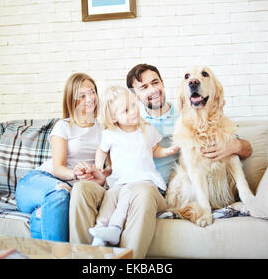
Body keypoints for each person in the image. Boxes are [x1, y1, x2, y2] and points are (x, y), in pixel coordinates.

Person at [69, 64, 252, 258]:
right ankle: (83, 258)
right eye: (144, 87)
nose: (153, 90)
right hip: (121, 183)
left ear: (163, 84)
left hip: (155, 188)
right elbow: (117, 158)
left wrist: (234, 146)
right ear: (135, 95)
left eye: (155, 83)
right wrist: (102, 174)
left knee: (142, 191)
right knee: (81, 189)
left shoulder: (189, 113)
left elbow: (243, 146)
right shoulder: (126, 118)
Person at [16, 73, 106, 242]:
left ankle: (44, 241)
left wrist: (97, 174)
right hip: (37, 182)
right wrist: (75, 174)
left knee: (47, 211)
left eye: (92, 92)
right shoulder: (64, 126)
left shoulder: (103, 128)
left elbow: (108, 169)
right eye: (82, 96)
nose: (90, 98)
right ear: (72, 100)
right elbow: (58, 168)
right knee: (60, 193)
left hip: (65, 191)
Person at [88, 86, 179, 247]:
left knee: (126, 194)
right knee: (110, 196)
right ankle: (101, 230)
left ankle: (115, 228)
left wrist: (168, 151)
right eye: (126, 110)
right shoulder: (111, 134)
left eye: (133, 105)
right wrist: (98, 166)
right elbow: (101, 151)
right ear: (114, 117)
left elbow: (155, 150)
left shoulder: (146, 130)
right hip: (121, 180)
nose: (133, 111)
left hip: (144, 180)